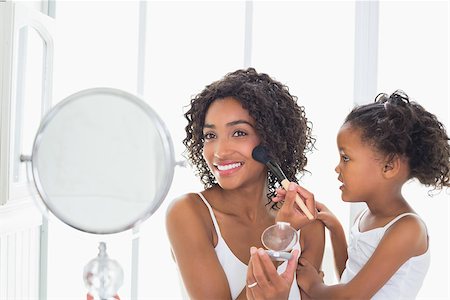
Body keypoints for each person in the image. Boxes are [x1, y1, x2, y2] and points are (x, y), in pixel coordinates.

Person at [250, 90, 450, 299]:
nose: (338, 168)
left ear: (389, 166)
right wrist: (335, 228)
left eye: (346, 158)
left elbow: (351, 296)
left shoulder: (408, 229)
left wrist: (314, 285)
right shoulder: (365, 217)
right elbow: (351, 277)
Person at [166, 68, 325, 300]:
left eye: (239, 133)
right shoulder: (189, 213)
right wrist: (280, 239)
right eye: (210, 136)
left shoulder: (306, 226)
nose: (220, 152)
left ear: (271, 140)